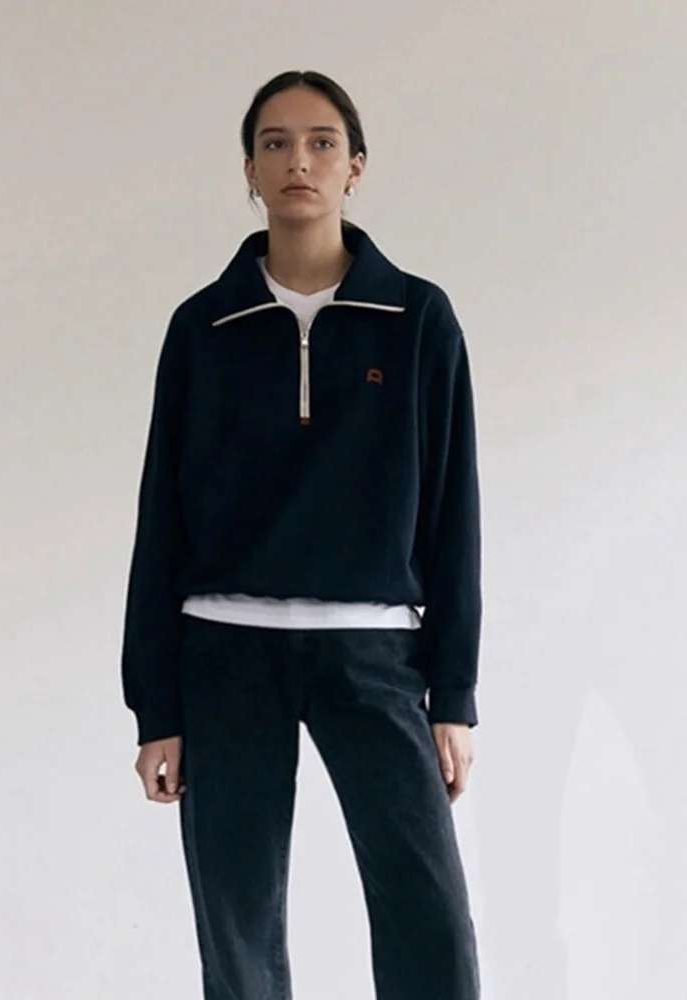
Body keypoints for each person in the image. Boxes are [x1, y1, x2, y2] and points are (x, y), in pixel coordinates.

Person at [121, 69, 482, 1000]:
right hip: (224, 653)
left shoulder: (418, 319)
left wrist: (454, 692)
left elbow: (454, 511)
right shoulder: (203, 327)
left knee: (430, 915)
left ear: (355, 166)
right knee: (236, 925)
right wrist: (157, 708)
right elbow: (161, 519)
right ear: (249, 168)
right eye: (275, 143)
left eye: (322, 142)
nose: (299, 161)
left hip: (373, 652)